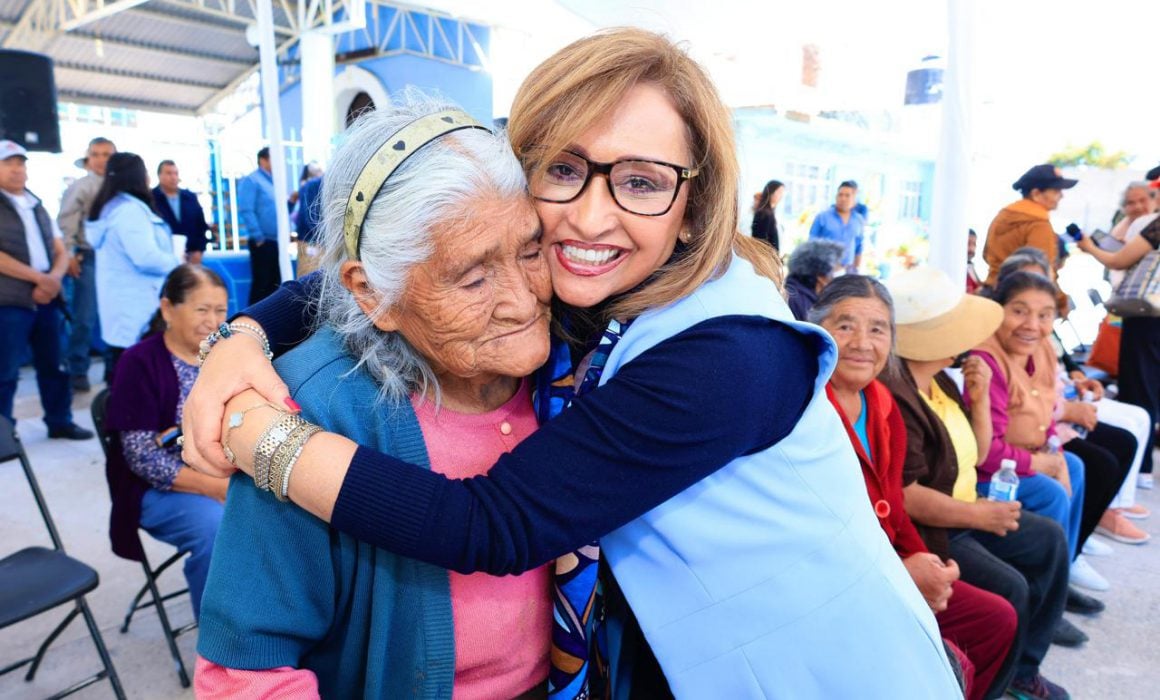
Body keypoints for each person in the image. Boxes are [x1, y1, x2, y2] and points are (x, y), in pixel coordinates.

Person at [184, 29, 961, 698]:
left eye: (642, 182)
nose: (591, 215)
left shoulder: (731, 355)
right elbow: (404, 253)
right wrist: (240, 340)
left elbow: (489, 524)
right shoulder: (590, 298)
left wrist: (260, 436)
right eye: (563, 170)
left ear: (694, 205)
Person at [195, 102, 553, 699]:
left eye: (531, 251)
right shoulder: (307, 412)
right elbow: (245, 673)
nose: (524, 301)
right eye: (472, 279)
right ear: (372, 293)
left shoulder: (579, 365)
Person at [810, 275, 1017, 700]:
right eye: (844, 325)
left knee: (996, 618)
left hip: (891, 559)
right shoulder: (808, 407)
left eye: (878, 329)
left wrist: (928, 562)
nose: (862, 343)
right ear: (817, 328)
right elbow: (818, 529)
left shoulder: (880, 403)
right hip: (838, 579)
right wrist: (901, 574)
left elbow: (894, 507)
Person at [881, 267, 1074, 700]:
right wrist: (978, 515)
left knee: (1050, 541)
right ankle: (995, 684)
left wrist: (981, 399)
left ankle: (1024, 670)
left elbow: (979, 449)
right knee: (1011, 588)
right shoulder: (897, 392)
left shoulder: (940, 381)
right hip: (942, 524)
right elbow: (907, 495)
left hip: (966, 507)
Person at [965, 272, 1127, 592]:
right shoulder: (986, 360)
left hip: (1024, 455)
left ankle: (1061, 574)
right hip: (988, 470)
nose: (1031, 325)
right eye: (1019, 311)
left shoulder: (1042, 349)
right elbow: (989, 454)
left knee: (1076, 468)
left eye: (1044, 315)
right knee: (1049, 490)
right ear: (998, 309)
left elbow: (1047, 417)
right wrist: (1045, 465)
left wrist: (1056, 454)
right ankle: (1045, 593)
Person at [104, 264, 230, 619]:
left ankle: (270, 620)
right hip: (158, 489)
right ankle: (221, 649)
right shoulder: (138, 362)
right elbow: (142, 456)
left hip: (222, 473)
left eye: (221, 310)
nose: (213, 320)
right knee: (216, 530)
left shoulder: (223, 355)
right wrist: (214, 486)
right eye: (201, 309)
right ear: (167, 309)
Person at [0, 140, 93, 440]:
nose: (17, 169)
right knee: (5, 371)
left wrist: (52, 278)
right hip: (10, 300)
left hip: (47, 296)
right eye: (9, 163)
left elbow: (60, 248)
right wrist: (39, 279)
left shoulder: (36, 203)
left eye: (21, 163)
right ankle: (3, 434)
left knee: (54, 365)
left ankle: (59, 421)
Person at [1078, 216, 1160, 503]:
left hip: (1149, 318)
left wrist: (1089, 246)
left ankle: (1142, 468)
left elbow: (1118, 260)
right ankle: (1143, 468)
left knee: (1140, 391)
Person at [87, 153, 181, 378]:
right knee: (135, 376)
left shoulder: (112, 207)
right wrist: (176, 261)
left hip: (123, 309)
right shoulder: (129, 212)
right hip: (136, 309)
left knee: (122, 372)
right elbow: (145, 257)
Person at [58, 136, 116, 391]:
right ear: (88, 158)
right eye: (96, 154)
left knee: (115, 314)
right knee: (85, 315)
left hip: (115, 258)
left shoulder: (121, 187)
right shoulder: (81, 186)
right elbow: (67, 220)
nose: (101, 159)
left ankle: (113, 368)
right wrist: (69, 253)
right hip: (88, 256)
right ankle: (77, 369)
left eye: (107, 154)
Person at [981, 164, 1075, 313]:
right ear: (1036, 193)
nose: (1061, 196)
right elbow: (1042, 272)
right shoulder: (1038, 223)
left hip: (990, 293)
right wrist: (1061, 301)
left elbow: (986, 255)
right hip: (1020, 303)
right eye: (1056, 191)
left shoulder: (1002, 216)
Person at [237, 146, 281, 303]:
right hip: (263, 242)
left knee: (274, 285)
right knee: (262, 285)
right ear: (263, 160)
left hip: (276, 242)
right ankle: (253, 322)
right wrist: (258, 237)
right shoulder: (252, 180)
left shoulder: (274, 183)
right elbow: (246, 209)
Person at [152, 159, 212, 265]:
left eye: (175, 173)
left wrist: (199, 250)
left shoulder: (190, 197)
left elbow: (201, 226)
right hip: (163, 258)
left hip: (192, 258)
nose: (173, 177)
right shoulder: (151, 199)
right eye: (169, 173)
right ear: (159, 175)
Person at [808, 179, 864, 271]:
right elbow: (811, 245)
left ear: (854, 198)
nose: (843, 198)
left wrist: (856, 269)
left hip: (848, 272)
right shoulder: (822, 217)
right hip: (824, 270)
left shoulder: (858, 220)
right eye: (840, 195)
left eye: (847, 195)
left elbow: (859, 246)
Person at [783, 238, 845, 321]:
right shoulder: (799, 303)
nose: (842, 269)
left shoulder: (801, 294)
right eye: (837, 267)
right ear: (821, 277)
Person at [294, 168, 324, 278]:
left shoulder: (311, 184)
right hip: (312, 241)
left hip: (313, 240)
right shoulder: (313, 184)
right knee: (310, 278)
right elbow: (311, 215)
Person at [750, 179, 783, 250]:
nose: (781, 196)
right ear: (771, 192)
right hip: (765, 256)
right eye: (779, 192)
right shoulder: (764, 213)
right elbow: (760, 240)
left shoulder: (770, 212)